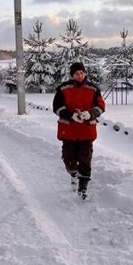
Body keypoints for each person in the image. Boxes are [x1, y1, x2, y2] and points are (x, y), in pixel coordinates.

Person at [53, 62, 106, 199]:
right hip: (68, 132)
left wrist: (90, 114)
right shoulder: (63, 89)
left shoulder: (93, 89)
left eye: (82, 73)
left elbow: (101, 107)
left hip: (86, 132)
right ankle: (73, 174)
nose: (80, 75)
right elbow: (57, 107)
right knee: (69, 160)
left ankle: (83, 187)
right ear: (72, 75)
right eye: (77, 73)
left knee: (85, 159)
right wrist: (71, 115)